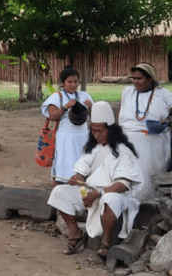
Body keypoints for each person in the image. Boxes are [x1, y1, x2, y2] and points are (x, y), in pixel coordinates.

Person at [47, 101, 144, 257]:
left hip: (114, 195)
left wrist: (98, 193)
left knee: (110, 199)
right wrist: (75, 179)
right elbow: (81, 172)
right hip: (91, 193)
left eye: (100, 131)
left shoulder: (123, 151)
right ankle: (75, 234)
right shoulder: (92, 149)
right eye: (93, 131)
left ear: (110, 130)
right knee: (59, 191)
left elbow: (123, 184)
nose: (96, 135)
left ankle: (106, 242)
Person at [117, 63, 172, 199]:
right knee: (126, 176)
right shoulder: (127, 92)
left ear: (150, 79)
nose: (135, 82)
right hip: (127, 140)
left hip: (153, 140)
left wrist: (167, 121)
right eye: (133, 78)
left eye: (139, 78)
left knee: (148, 178)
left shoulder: (164, 95)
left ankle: (150, 203)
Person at [40, 67, 93, 185]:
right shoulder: (57, 97)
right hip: (65, 138)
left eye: (76, 82)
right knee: (64, 163)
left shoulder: (84, 96)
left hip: (83, 136)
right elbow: (52, 116)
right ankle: (60, 185)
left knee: (82, 161)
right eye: (69, 82)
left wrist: (90, 108)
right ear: (63, 83)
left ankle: (80, 183)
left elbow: (94, 117)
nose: (73, 85)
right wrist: (65, 107)